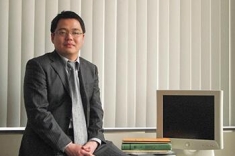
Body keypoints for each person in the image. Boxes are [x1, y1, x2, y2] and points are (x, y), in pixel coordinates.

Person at [19, 11, 128, 156]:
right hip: (52, 143)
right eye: (62, 32)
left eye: (75, 32)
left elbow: (96, 111)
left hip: (87, 142)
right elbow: (38, 113)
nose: (69, 37)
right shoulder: (38, 66)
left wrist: (94, 141)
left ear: (83, 38)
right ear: (52, 37)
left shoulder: (90, 69)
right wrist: (68, 146)